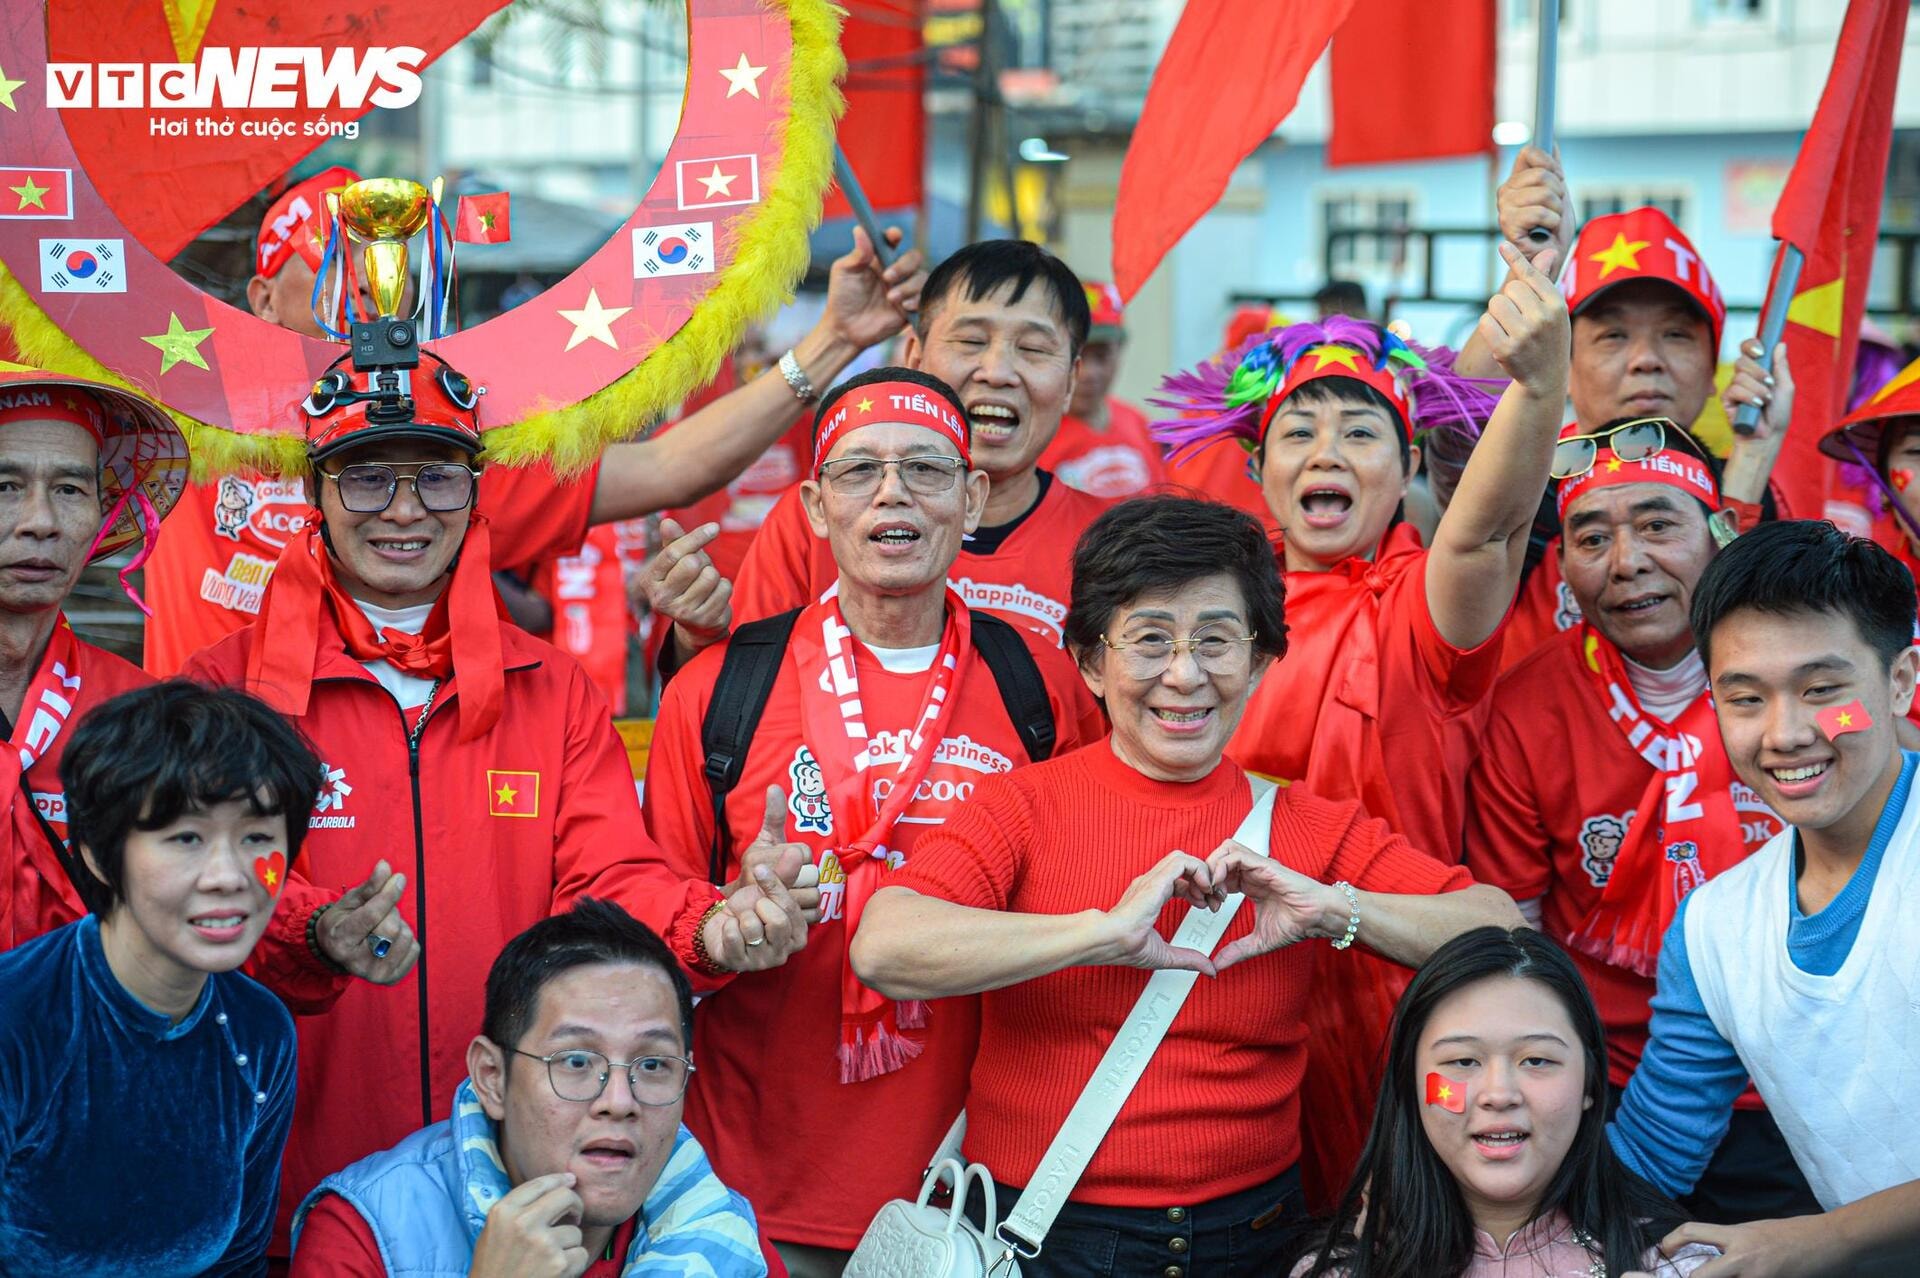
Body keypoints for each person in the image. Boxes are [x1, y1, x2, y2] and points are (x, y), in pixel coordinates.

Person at [852, 496, 1522, 1277]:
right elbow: (885, 946)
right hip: (1042, 1236)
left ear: (1263, 660)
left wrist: (1334, 910)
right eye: (1148, 641)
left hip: (1260, 1233)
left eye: (1216, 640)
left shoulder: (1304, 824)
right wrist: (1101, 934)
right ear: (1092, 662)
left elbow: (1499, 931)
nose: (1184, 674)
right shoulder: (1022, 806)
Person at [180, 344, 699, 1251]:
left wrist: (711, 929)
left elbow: (612, 884)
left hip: (517, 1193)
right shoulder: (224, 690)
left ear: (477, 491)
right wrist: (311, 930)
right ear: (316, 493)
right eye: (367, 479)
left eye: (439, 479)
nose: (407, 511)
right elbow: (186, 899)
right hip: (276, 1191)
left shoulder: (556, 688)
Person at [636, 366, 1104, 1275]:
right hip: (748, 1186)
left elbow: (1079, 899)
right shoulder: (718, 690)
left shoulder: (1042, 686)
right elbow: (644, 923)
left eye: (926, 471)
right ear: (814, 506)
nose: (893, 492)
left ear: (971, 500)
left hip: (974, 1189)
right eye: (859, 472)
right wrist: (722, 930)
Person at [143, 167, 926, 676]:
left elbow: (670, 468)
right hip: (199, 809)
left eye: (388, 279)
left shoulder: (445, 454)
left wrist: (834, 341)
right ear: (258, 302)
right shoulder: (173, 422)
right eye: (331, 276)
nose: (364, 302)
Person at [1152, 246, 1566, 1203]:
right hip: (1222, 989)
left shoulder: (1423, 605)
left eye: (1360, 431)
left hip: (1395, 978)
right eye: (1299, 431)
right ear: (1256, 467)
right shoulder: (1203, 625)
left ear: (1411, 462)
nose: (1327, 451)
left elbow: (1486, 528)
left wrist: (1539, 390)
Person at [1466, 421, 1818, 1223]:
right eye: (1593, 536)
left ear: (1720, 535)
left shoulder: (1797, 681)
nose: (1627, 563)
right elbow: (1517, 937)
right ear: (1562, 564)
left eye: (1660, 525)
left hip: (1804, 1080)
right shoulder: (1525, 710)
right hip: (1614, 1085)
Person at [0, 366, 408, 995]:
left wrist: (316, 935)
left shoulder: (136, 712)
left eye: (72, 491)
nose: (41, 522)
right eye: (5, 485)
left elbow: (208, 920)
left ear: (104, 514)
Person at [1609, 520, 1920, 1275]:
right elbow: (1655, 1146)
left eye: (1823, 691)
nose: (1784, 733)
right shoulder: (1716, 927)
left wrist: (1820, 1238)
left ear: (1902, 681)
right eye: (1745, 698)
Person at [644, 240, 1111, 657]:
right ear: (914, 357)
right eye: (970, 341)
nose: (997, 371)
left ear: (1070, 382)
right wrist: (697, 636)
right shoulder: (820, 518)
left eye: (1032, 349)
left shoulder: (1109, 544)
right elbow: (734, 701)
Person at [0, 681, 321, 1274]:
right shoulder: (16, 1019)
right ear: (98, 853)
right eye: (185, 838)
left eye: (256, 837)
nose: (228, 876)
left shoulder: (259, 1032)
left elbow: (238, 1262)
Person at [292, 899, 764, 1278]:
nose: (620, 1102)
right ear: (492, 1078)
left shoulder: (720, 1230)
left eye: (655, 1064)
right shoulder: (363, 1233)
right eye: (576, 1061)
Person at [1455, 150, 1793, 671]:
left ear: (1712, 368)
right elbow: (1459, 425)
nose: (1646, 361)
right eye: (1613, 335)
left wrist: (1751, 462)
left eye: (1676, 335)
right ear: (1564, 359)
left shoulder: (1754, 497)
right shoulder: (1523, 485)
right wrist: (1524, 275)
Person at [1292, 928, 1718, 1278]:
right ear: (1410, 1084)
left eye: (1536, 1059)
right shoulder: (1339, 1271)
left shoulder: (1680, 1264)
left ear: (1590, 1083)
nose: (1499, 1094)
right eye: (1462, 1061)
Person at [1036, 280, 1167, 499]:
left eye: (1102, 355)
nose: (1088, 373)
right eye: (1077, 355)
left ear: (1120, 352)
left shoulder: (1137, 422)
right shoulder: (1035, 437)